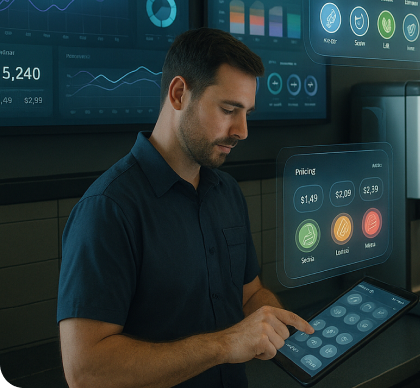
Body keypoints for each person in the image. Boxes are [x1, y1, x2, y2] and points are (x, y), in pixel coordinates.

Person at [57, 28, 314, 388]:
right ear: (179, 94)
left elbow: (250, 294)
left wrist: (275, 321)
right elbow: (86, 372)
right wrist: (225, 345)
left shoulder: (227, 192)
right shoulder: (107, 210)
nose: (242, 131)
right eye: (229, 110)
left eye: (247, 113)